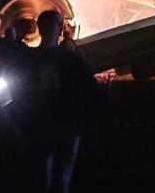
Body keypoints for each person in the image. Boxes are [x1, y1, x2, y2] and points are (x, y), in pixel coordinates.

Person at [17, 10, 99, 193]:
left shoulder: (29, 59)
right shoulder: (72, 59)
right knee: (60, 177)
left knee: (42, 176)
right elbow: (89, 89)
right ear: (60, 29)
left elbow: (20, 92)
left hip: (44, 125)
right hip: (63, 125)